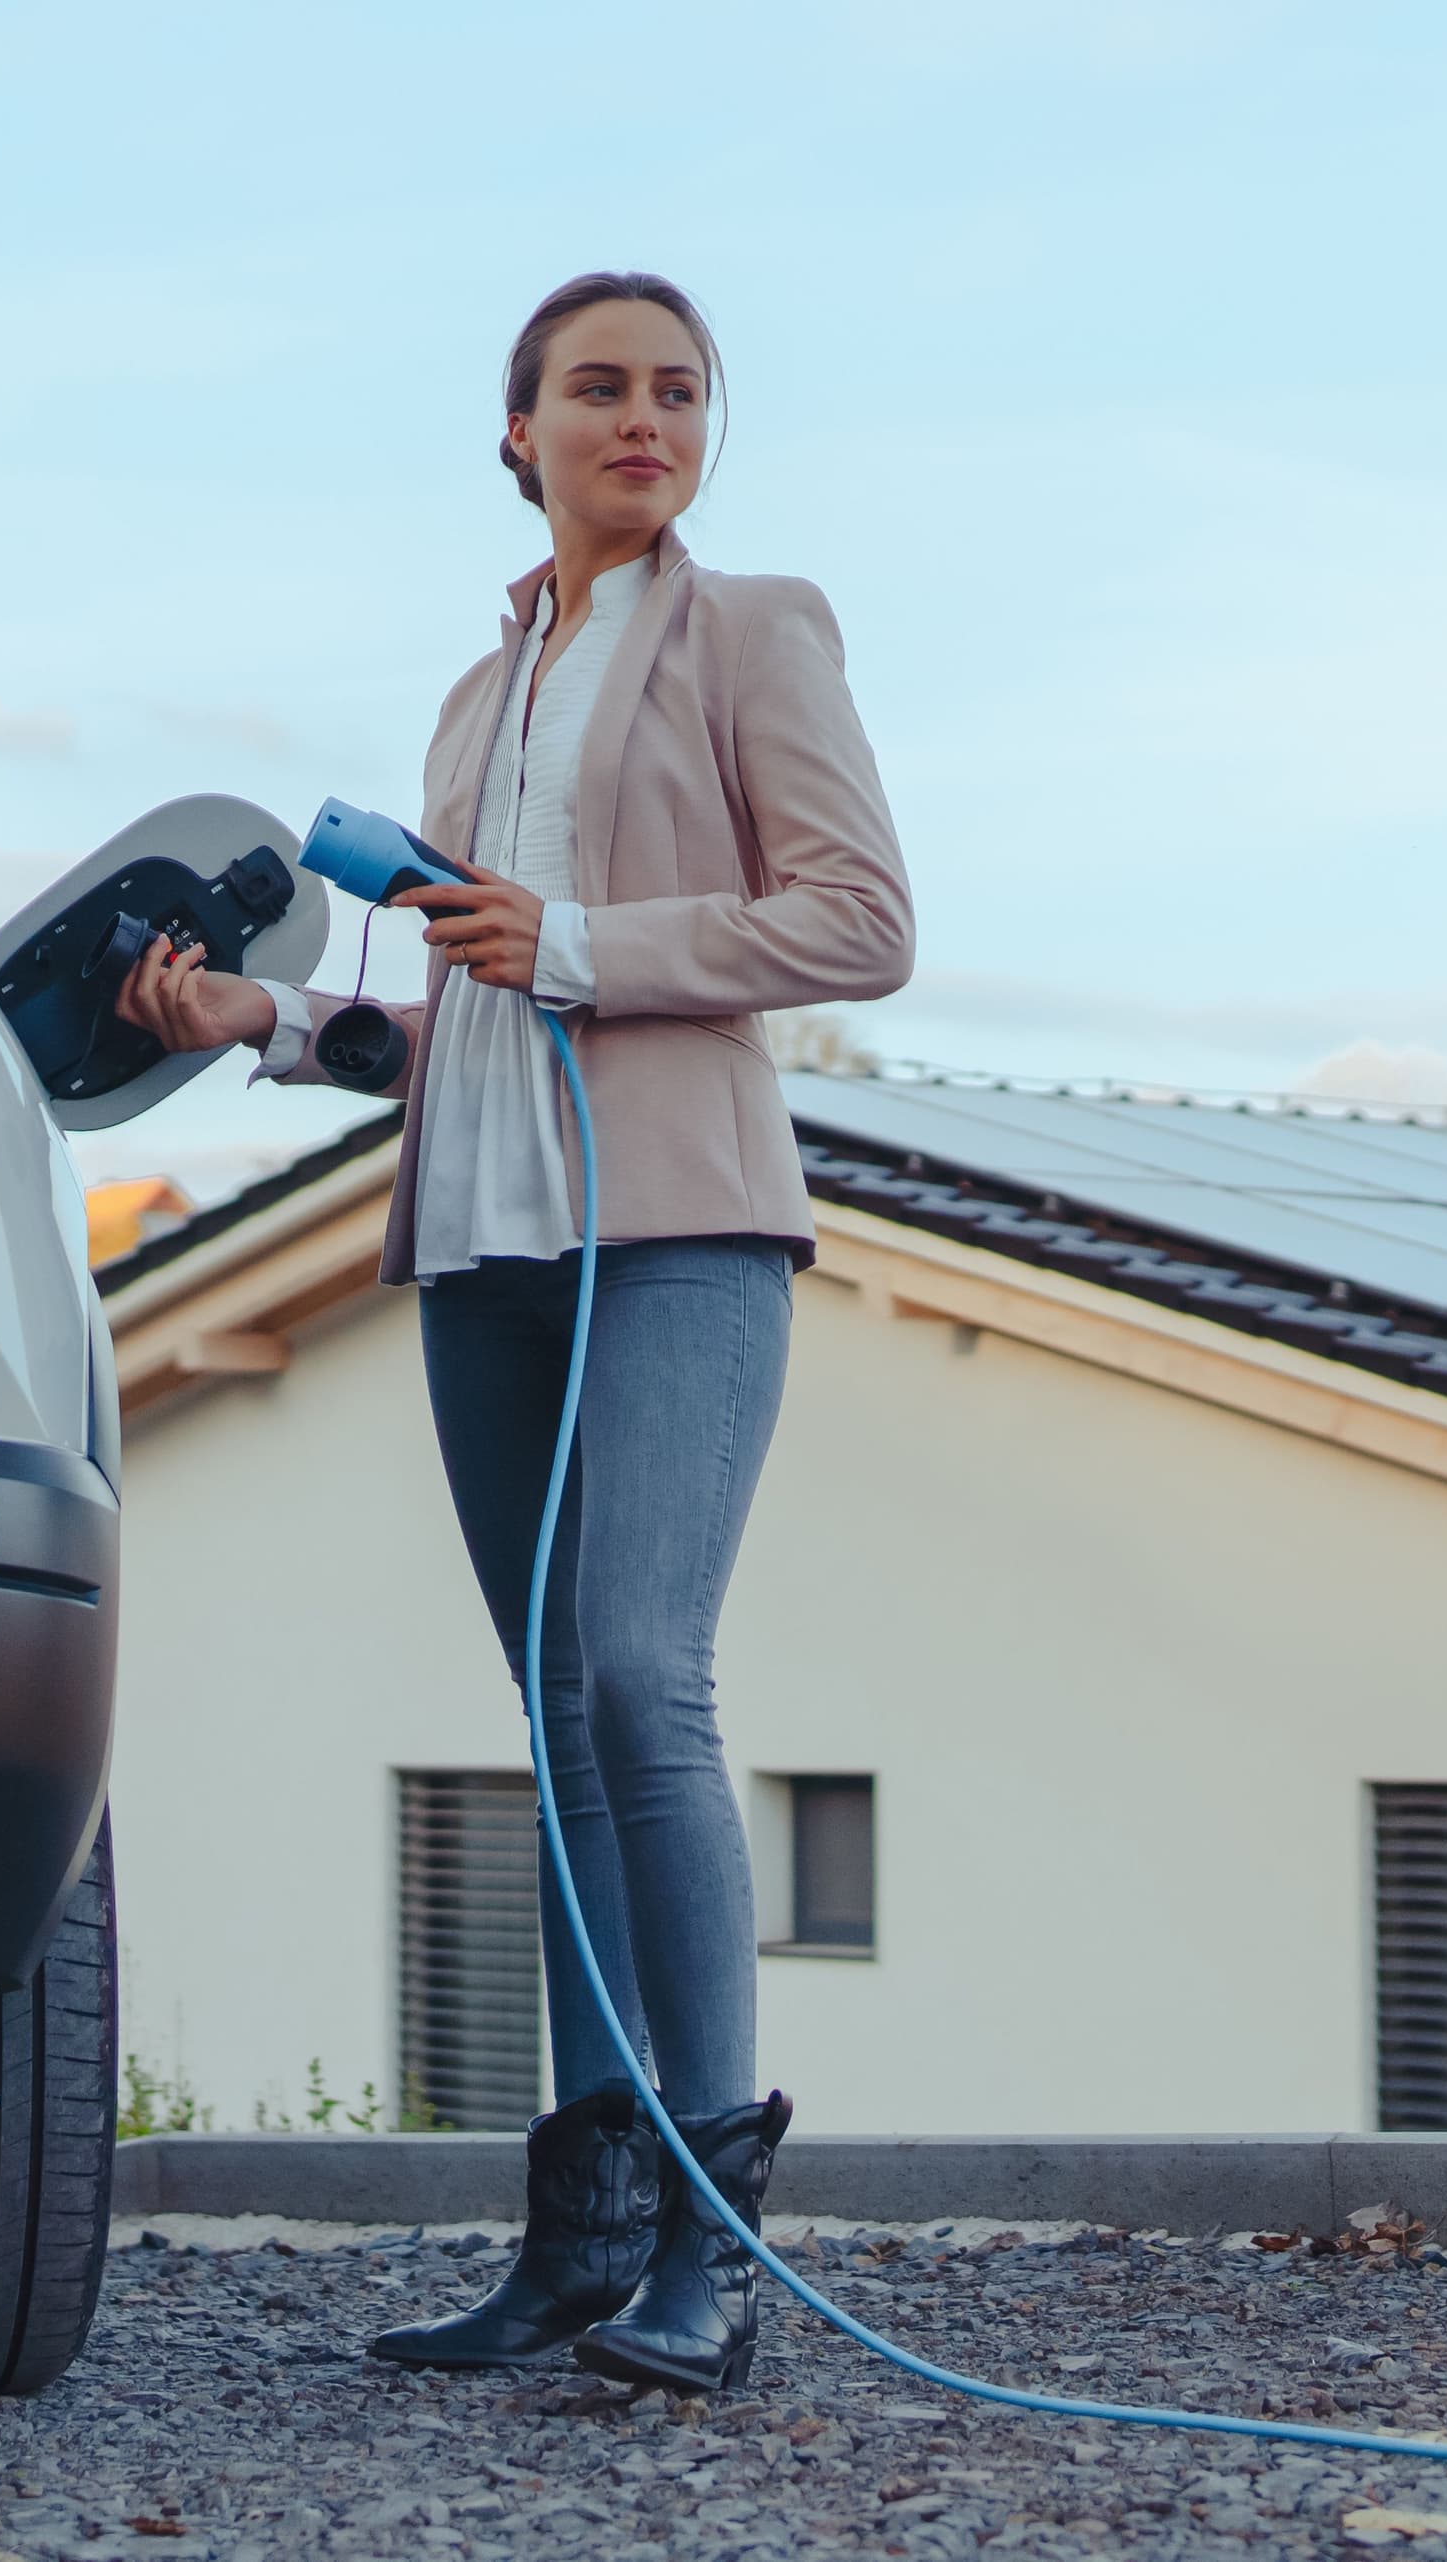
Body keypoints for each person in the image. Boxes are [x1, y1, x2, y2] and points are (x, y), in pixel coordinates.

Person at [114, 271, 913, 2393]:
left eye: (677, 390)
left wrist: (572, 937)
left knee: (645, 1684)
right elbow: (474, 1007)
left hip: (679, 1228)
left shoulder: (758, 630)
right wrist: (264, 1020)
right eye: (599, 388)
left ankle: (717, 2253)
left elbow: (862, 920)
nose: (642, 417)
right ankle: (581, 2238)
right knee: (555, 1732)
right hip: (486, 1236)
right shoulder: (482, 698)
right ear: (518, 430)